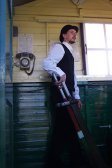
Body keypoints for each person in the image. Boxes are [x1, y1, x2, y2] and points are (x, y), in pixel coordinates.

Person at [42, 25, 85, 168]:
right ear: (64, 35)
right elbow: (47, 63)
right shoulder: (60, 47)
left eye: (75, 33)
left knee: (70, 129)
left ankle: (74, 161)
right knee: (63, 130)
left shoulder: (71, 53)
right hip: (60, 95)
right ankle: (56, 162)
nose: (74, 35)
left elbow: (73, 76)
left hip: (69, 96)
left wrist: (77, 96)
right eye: (71, 32)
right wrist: (60, 73)